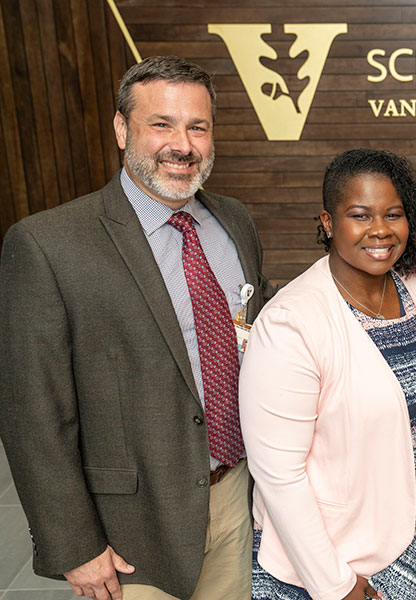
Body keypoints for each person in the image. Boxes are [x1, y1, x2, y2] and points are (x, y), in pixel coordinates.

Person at [0, 56, 273, 600]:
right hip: (132, 534)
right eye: (162, 124)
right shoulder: (48, 245)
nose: (184, 144)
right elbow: (33, 414)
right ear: (122, 129)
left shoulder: (233, 222)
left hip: (237, 500)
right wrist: (74, 544)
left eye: (197, 126)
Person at [239, 148, 416, 600]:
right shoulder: (291, 322)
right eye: (360, 215)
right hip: (336, 558)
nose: (380, 230)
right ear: (328, 223)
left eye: (393, 214)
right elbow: (278, 473)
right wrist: (337, 584)